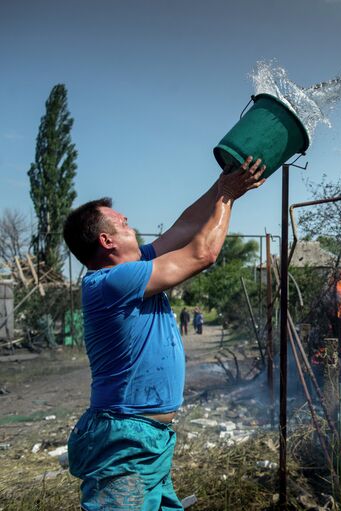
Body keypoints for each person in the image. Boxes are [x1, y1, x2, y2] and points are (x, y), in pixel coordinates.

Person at [62, 156, 266, 510]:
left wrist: (223, 184)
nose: (131, 225)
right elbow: (203, 253)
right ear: (107, 241)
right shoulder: (113, 281)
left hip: (147, 438)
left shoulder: (132, 268)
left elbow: (185, 226)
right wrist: (228, 198)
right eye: (123, 224)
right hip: (125, 439)